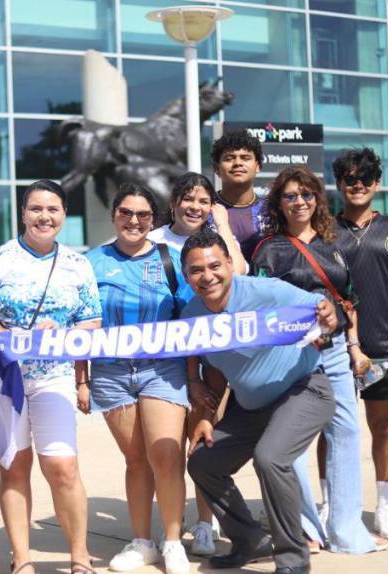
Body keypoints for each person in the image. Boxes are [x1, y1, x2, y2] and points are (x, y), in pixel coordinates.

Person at [0, 180, 100, 574]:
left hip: (53, 378)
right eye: (36, 209)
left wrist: (69, 342)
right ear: (23, 213)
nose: (44, 217)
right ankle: (21, 559)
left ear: (63, 215)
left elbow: (90, 324)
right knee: (15, 467)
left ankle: (79, 556)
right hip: (7, 379)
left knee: (63, 467)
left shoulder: (78, 264)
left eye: (53, 209)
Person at [182, 228, 338, 574]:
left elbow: (327, 312)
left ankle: (293, 560)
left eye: (214, 265)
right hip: (251, 408)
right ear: (186, 276)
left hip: (304, 389)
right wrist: (207, 416)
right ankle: (249, 541)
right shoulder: (191, 316)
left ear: (229, 264)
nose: (207, 276)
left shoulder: (267, 291)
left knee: (271, 458)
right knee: (202, 462)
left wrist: (330, 318)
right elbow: (216, 371)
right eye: (196, 270)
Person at [251, 166, 384, 554]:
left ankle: (345, 529)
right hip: (290, 357)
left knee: (345, 433)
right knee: (289, 442)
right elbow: (262, 309)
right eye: (290, 195)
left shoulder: (335, 242)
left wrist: (355, 345)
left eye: (306, 195)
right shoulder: (268, 250)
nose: (299, 202)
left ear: (317, 200)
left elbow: (351, 300)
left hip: (337, 351)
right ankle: (306, 525)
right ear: (279, 203)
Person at [85, 184, 194, 574]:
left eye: (143, 215)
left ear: (154, 219)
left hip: (162, 368)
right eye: (126, 213)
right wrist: (82, 379)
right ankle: (141, 542)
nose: (134, 221)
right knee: (135, 461)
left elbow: (196, 313)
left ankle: (172, 541)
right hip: (111, 372)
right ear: (114, 215)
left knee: (166, 455)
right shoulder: (91, 262)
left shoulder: (174, 259)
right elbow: (80, 322)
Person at [146, 171, 244, 556]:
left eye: (204, 200)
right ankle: (174, 518)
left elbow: (242, 271)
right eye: (189, 199)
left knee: (205, 437)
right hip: (169, 354)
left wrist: (222, 223)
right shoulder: (155, 241)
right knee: (168, 444)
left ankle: (206, 523)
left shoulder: (218, 238)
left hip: (214, 355)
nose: (196, 207)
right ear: (173, 202)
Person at [331, 149, 388, 540]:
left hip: (381, 345)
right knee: (329, 429)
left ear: (376, 184)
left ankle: (385, 506)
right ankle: (331, 503)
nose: (356, 183)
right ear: (339, 184)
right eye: (348, 178)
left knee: (383, 427)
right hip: (334, 348)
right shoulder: (326, 230)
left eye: (364, 177)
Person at [211, 129, 270, 262]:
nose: (238, 163)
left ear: (258, 166)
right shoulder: (204, 210)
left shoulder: (272, 211)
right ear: (216, 168)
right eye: (229, 158)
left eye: (245, 158)